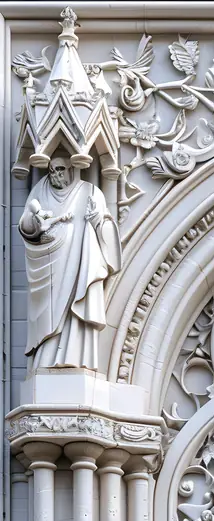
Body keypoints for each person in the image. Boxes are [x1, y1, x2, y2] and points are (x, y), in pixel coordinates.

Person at [19, 152, 121, 370]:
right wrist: (34, 225)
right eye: (52, 169)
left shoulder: (91, 191)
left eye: (61, 169)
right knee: (48, 314)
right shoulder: (40, 189)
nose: (56, 174)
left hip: (79, 264)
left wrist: (96, 221)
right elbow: (26, 223)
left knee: (75, 311)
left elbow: (107, 227)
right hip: (49, 265)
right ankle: (45, 360)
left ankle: (75, 358)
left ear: (72, 169)